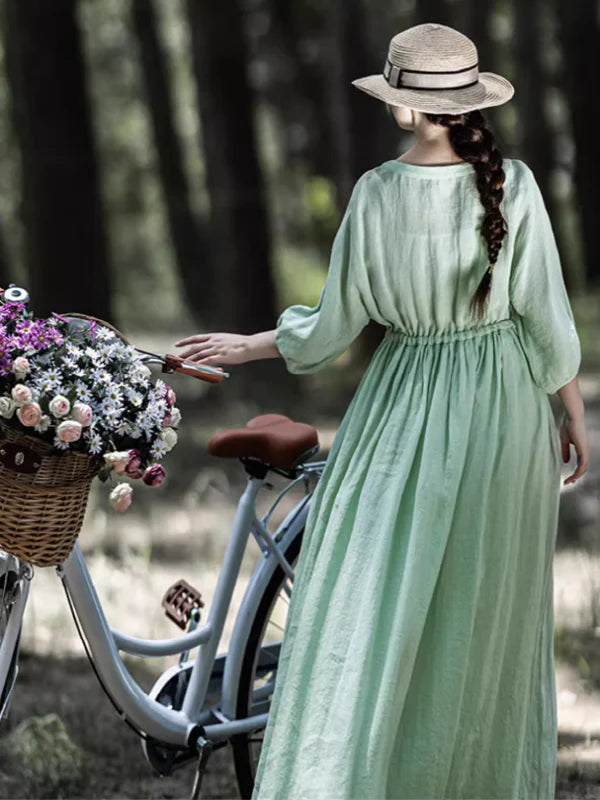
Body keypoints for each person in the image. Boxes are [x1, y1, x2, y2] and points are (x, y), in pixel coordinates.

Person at [174, 22, 589, 800]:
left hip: (401, 405)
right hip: (504, 409)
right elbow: (547, 317)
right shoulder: (516, 183)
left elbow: (330, 326)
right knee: (482, 613)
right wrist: (572, 413)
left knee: (375, 595)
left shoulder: (376, 193)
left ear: (403, 104)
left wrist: (246, 346)